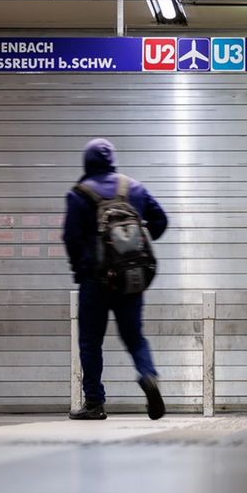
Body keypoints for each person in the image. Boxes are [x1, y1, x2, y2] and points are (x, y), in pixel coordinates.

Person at [62, 138, 169, 420]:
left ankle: (95, 403)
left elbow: (70, 237)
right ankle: (148, 375)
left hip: (94, 281)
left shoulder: (79, 194)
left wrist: (80, 268)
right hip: (130, 280)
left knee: (90, 342)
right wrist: (136, 242)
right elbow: (160, 221)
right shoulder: (134, 188)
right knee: (134, 337)